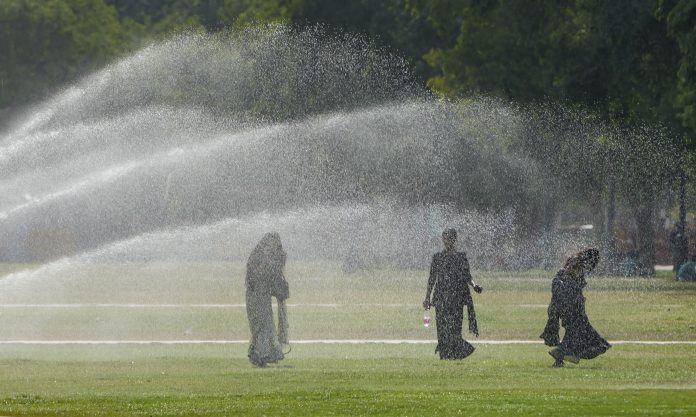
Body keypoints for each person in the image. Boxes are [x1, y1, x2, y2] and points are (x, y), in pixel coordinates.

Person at [540, 248, 611, 367]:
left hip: (563, 303)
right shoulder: (579, 264)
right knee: (579, 329)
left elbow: (566, 282)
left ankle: (561, 358)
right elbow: (571, 282)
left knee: (573, 330)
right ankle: (562, 353)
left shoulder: (573, 261)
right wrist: (577, 298)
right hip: (570, 305)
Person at [423, 228, 483, 360]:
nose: (447, 241)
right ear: (443, 240)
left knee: (455, 328)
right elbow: (432, 279)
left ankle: (455, 354)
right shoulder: (437, 258)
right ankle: (445, 355)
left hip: (457, 298)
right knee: (442, 328)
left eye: (450, 238)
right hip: (441, 298)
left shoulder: (461, 257)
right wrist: (427, 297)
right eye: (445, 238)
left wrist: (474, 285)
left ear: (454, 240)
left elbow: (467, 276)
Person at [245, 232, 290, 367]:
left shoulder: (259, 257)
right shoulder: (265, 259)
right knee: (263, 324)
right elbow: (270, 277)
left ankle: (260, 354)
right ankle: (262, 354)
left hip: (258, 296)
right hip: (258, 296)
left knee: (262, 325)